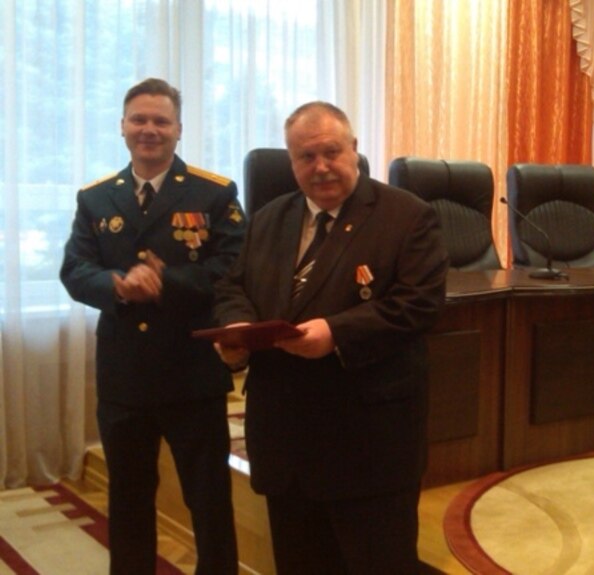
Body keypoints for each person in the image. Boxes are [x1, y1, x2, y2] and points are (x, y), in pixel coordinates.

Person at [213, 101, 448, 574]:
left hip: (367, 446)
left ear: (355, 150)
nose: (320, 167)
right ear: (291, 162)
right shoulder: (268, 218)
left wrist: (336, 333)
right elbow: (232, 285)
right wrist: (237, 328)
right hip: (284, 441)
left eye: (331, 152)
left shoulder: (407, 216)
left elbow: (419, 303)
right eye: (305, 156)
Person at [60, 78, 243, 574]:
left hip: (192, 375)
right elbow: (74, 271)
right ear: (122, 127)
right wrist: (118, 285)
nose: (149, 129)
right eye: (139, 119)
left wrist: (169, 284)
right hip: (125, 379)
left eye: (161, 120)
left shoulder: (214, 191)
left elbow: (235, 267)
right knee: (129, 501)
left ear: (178, 130)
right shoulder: (96, 198)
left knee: (208, 501)